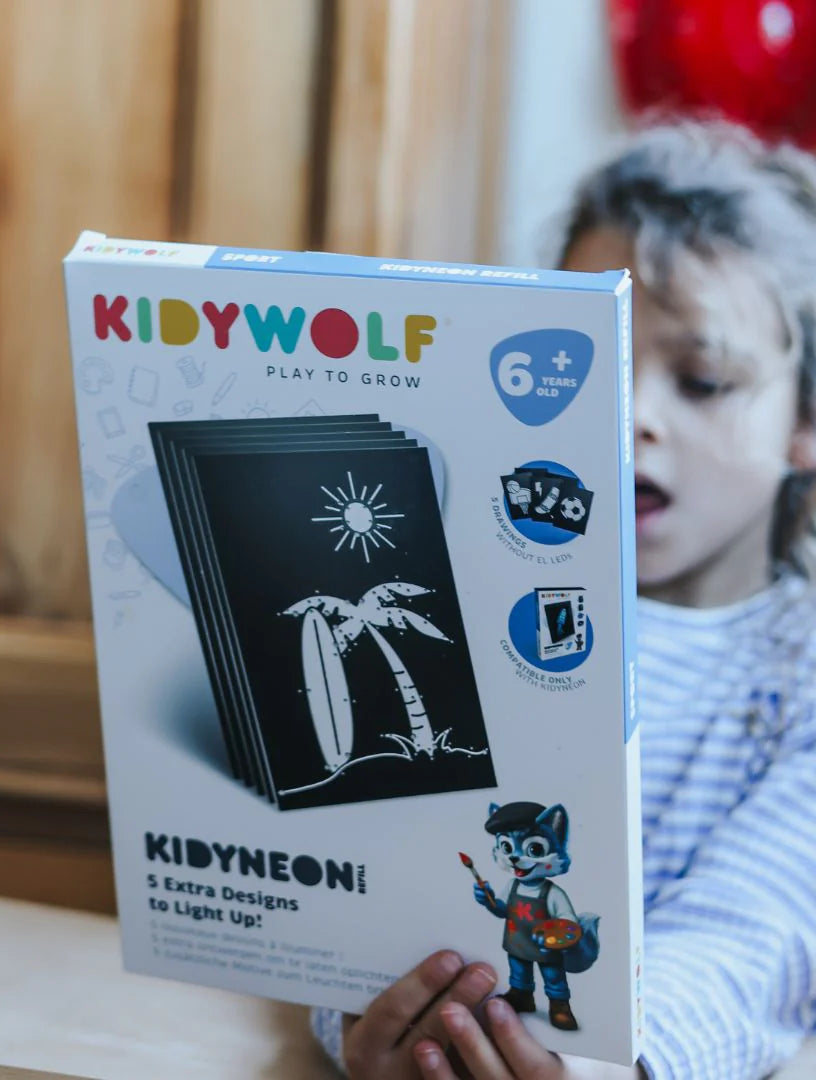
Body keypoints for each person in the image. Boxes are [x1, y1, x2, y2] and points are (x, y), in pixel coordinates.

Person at [311, 119, 816, 1080]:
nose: (629, 416)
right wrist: (371, 1027)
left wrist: (608, 1065)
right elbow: (370, 892)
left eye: (703, 381)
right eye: (578, 368)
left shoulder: (802, 676)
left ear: (807, 420)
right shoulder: (452, 615)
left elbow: (759, 939)